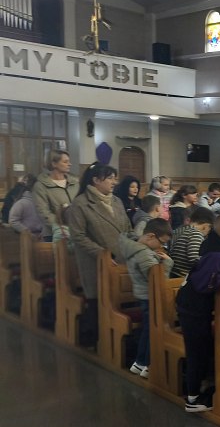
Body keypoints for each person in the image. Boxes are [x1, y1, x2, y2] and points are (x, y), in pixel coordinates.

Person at [176, 213, 220, 412]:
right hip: (193, 309)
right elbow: (203, 284)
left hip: (195, 308)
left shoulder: (218, 250)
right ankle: (193, 398)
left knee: (202, 349)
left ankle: (201, 390)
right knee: (196, 352)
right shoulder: (217, 255)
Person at [66, 163, 132, 346]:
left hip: (121, 259)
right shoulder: (81, 203)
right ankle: (97, 341)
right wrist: (103, 254)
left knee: (120, 300)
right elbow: (78, 236)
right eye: (110, 178)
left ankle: (118, 343)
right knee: (98, 302)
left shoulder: (117, 201)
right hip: (95, 261)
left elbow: (127, 228)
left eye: (114, 178)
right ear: (96, 180)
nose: (114, 182)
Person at [118, 218, 173, 379]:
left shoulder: (137, 248)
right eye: (162, 242)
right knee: (152, 331)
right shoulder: (143, 253)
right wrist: (168, 264)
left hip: (144, 295)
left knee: (148, 330)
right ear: (150, 236)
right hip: (150, 297)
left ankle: (140, 363)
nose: (162, 247)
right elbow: (157, 280)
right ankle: (148, 364)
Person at [32, 150, 79, 240]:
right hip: (54, 234)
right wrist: (62, 226)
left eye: (69, 161)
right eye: (65, 162)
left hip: (76, 231)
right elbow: (43, 212)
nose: (70, 164)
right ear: (54, 164)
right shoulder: (41, 186)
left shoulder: (75, 183)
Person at [169, 207, 215, 278]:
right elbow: (193, 258)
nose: (207, 234)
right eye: (210, 229)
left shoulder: (186, 231)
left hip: (176, 273)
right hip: (182, 276)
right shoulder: (196, 234)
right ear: (206, 226)